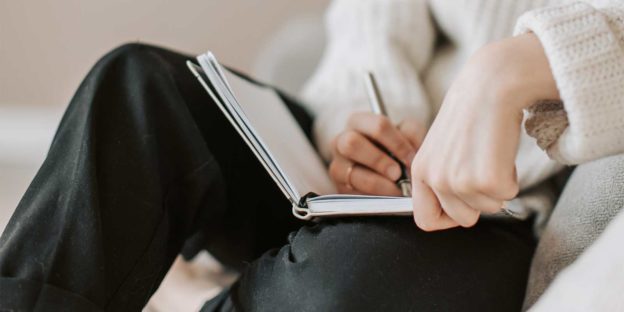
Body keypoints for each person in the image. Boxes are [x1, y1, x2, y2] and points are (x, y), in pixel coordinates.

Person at [1, 0, 623, 311]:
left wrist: (515, 69)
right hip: (372, 162)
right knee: (138, 86)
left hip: (488, 213)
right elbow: (370, 24)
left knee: (347, 280)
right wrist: (354, 122)